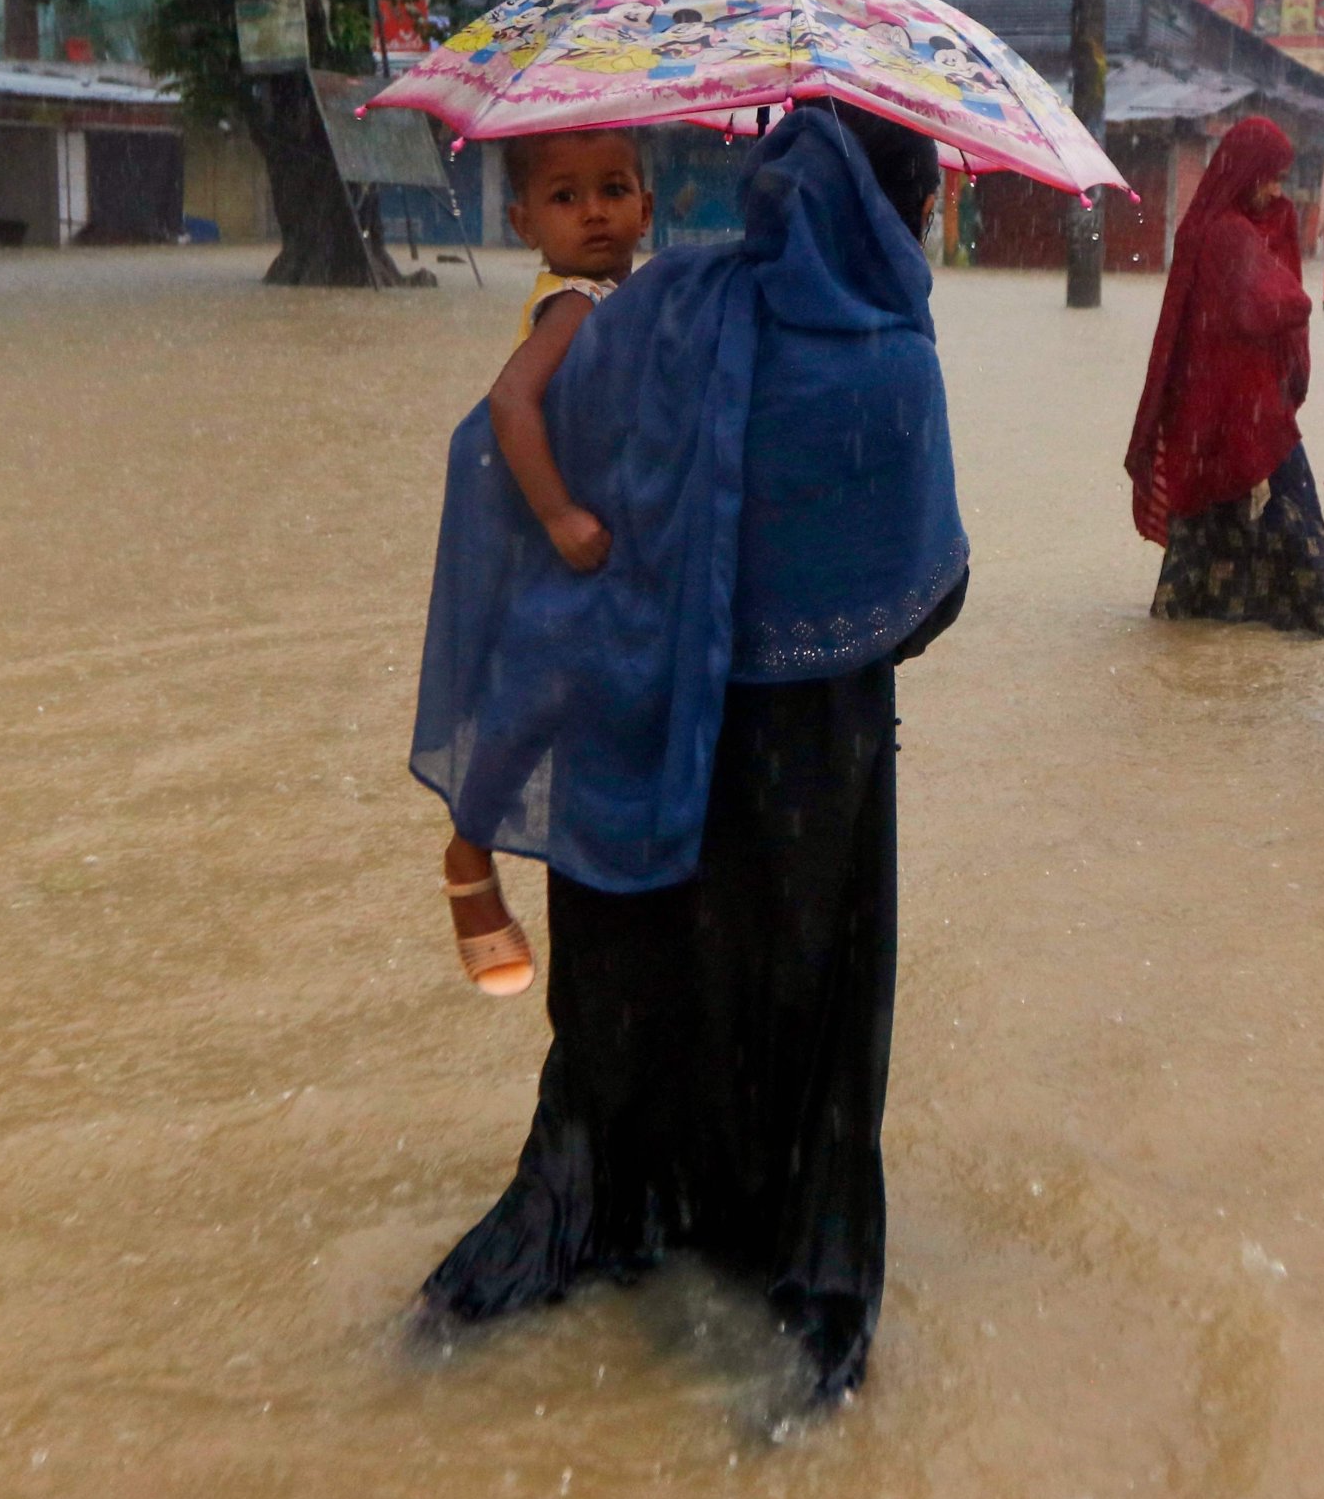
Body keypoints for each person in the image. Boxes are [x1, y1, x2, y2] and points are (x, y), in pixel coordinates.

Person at [408, 100, 970, 1404]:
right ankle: (789, 1283)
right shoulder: (890, 359)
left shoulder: (654, 312)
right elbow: (928, 596)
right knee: (799, 1010)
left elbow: (526, 468)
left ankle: (574, 1246)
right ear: (897, 213)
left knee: (637, 1017)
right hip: (811, 766)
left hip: (641, 726)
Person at [429, 128, 657, 995]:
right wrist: (558, 512)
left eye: (614, 187)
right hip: (558, 538)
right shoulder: (577, 303)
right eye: (566, 197)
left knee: (555, 694)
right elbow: (509, 398)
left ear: (647, 202)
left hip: (593, 530)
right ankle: (468, 852)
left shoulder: (626, 292)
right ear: (524, 221)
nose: (594, 210)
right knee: (535, 693)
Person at [1126, 117, 1324, 636]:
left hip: (1205, 419)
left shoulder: (1204, 226)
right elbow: (1274, 304)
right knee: (1302, 538)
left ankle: (1207, 633)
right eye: (1271, 177)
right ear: (1247, 173)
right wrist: (1296, 286)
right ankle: (1294, 624)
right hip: (1249, 418)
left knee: (1207, 538)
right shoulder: (1230, 234)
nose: (1277, 190)